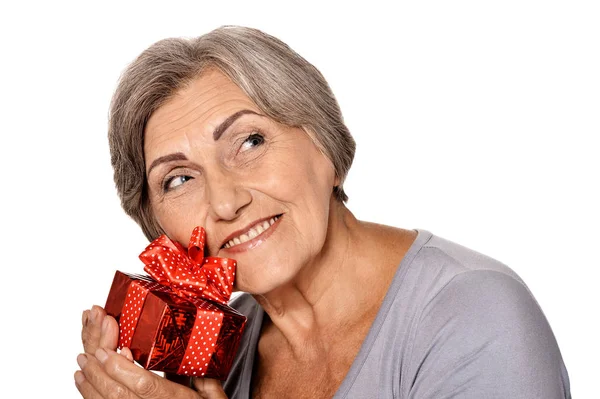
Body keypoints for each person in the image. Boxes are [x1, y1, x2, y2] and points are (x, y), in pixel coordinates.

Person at [76, 26, 571, 398]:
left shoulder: (473, 312)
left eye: (250, 142)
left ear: (326, 148)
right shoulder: (221, 350)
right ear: (158, 226)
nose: (226, 202)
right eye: (179, 179)